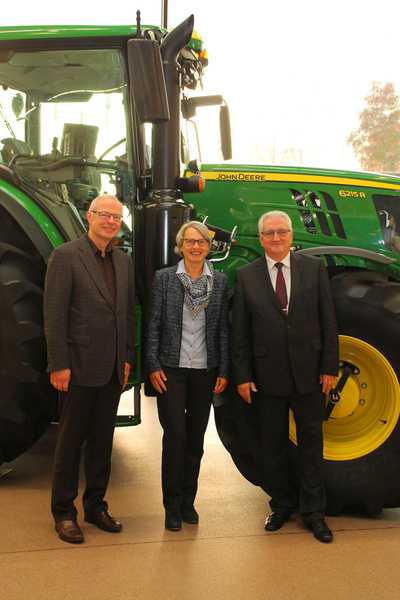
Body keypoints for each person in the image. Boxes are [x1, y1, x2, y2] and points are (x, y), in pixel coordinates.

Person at [232, 210, 338, 543]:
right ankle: (281, 505)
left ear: (291, 236)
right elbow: (241, 333)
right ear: (260, 238)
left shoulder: (314, 270)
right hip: (267, 377)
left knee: (311, 446)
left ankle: (314, 513)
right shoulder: (246, 276)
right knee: (272, 447)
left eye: (281, 232)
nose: (275, 239)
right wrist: (243, 375)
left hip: (309, 375)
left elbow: (328, 322)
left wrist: (328, 367)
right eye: (269, 234)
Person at [44, 194, 135, 544]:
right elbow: (54, 315)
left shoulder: (123, 261)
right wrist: (59, 364)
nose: (111, 222)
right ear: (89, 216)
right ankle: (64, 513)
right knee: (70, 443)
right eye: (104, 215)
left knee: (102, 441)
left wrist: (126, 357)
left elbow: (125, 314)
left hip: (111, 368)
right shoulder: (66, 256)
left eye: (116, 216)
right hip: (78, 368)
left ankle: (96, 506)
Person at [146, 220, 229, 532]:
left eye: (202, 242)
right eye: (190, 242)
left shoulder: (219, 281)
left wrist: (223, 369)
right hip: (171, 370)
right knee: (176, 436)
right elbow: (153, 324)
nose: (196, 247)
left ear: (209, 247)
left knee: (195, 440)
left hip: (204, 371)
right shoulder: (165, 278)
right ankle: (171, 505)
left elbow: (222, 328)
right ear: (180, 246)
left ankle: (187, 502)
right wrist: (153, 365)